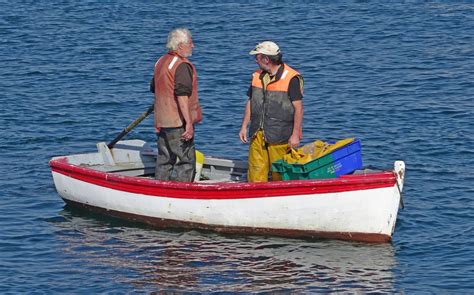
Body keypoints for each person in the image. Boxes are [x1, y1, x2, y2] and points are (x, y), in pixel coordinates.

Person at [239, 41, 304, 182]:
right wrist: (244, 126)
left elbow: (298, 108)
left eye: (257, 57)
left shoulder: (291, 78)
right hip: (258, 133)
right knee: (255, 173)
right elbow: (251, 101)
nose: (255, 60)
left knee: (280, 175)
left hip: (281, 136)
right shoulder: (256, 76)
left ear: (266, 59)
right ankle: (256, 197)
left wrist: (295, 134)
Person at [150, 28, 202, 182]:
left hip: (161, 120)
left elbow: (155, 88)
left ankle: (160, 188)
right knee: (185, 160)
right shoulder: (182, 65)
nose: (193, 46)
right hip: (177, 121)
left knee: (164, 159)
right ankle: (183, 193)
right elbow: (182, 96)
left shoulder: (160, 61)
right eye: (190, 43)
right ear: (180, 46)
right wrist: (188, 124)